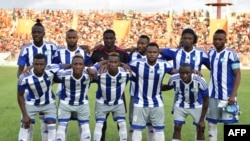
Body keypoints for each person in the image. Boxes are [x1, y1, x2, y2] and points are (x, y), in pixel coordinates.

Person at [17, 19, 58, 141]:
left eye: (39, 32)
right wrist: (23, 77)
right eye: (34, 32)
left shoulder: (52, 46)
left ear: (44, 33)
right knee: (27, 123)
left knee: (47, 123)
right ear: (31, 33)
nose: (36, 35)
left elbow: (58, 64)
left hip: (46, 88)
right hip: (30, 89)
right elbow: (20, 71)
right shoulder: (26, 48)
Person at [17, 54, 69, 141]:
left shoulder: (51, 68)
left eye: (41, 64)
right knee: (25, 127)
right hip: (31, 103)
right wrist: (25, 115)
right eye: (36, 64)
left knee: (51, 127)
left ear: (45, 65)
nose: (39, 67)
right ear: (32, 64)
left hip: (49, 103)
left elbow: (67, 65)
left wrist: (88, 69)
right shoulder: (24, 77)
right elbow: (20, 95)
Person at [129, 42, 174, 141]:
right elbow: (123, 66)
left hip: (157, 103)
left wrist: (193, 72)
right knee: (137, 129)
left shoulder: (164, 64)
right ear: (146, 53)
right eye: (149, 52)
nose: (152, 54)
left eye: (154, 52)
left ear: (158, 53)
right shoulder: (137, 63)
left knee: (159, 130)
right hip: (140, 102)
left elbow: (177, 72)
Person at [52, 29, 92, 140]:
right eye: (69, 37)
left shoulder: (83, 52)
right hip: (64, 91)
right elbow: (54, 69)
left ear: (77, 39)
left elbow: (90, 67)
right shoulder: (59, 52)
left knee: (82, 123)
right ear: (66, 39)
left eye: (74, 37)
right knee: (63, 123)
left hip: (81, 91)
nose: (71, 40)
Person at [91, 29, 128, 141]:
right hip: (103, 92)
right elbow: (90, 65)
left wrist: (121, 63)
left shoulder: (122, 53)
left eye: (111, 38)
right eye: (106, 38)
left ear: (114, 39)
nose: (108, 40)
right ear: (103, 39)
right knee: (102, 123)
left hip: (119, 92)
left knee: (121, 122)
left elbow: (127, 66)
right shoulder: (97, 53)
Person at [206, 29, 241, 141]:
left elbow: (238, 75)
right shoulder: (210, 53)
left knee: (229, 125)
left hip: (228, 96)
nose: (217, 41)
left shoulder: (231, 54)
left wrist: (233, 95)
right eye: (215, 39)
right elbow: (211, 68)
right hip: (213, 95)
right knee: (211, 122)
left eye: (220, 39)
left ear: (225, 40)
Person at [162, 63, 209, 141]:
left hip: (197, 105)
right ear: (179, 72)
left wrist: (202, 120)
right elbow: (168, 86)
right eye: (182, 73)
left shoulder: (200, 80)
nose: (184, 75)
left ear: (192, 72)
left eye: (187, 73)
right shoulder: (174, 78)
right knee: (177, 127)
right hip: (181, 104)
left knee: (200, 129)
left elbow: (206, 99)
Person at [55, 54, 95, 141]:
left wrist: (89, 69)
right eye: (75, 64)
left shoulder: (89, 74)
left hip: (82, 104)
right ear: (71, 65)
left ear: (84, 66)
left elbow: (101, 64)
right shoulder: (63, 74)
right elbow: (48, 69)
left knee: (85, 129)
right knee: (61, 128)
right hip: (65, 104)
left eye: (80, 64)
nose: (78, 66)